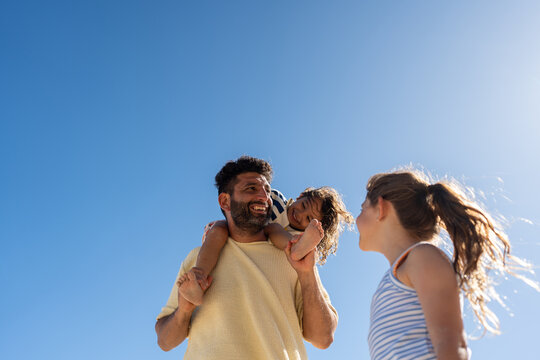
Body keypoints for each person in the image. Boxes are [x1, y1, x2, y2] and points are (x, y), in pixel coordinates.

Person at [155, 156, 338, 359]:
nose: (263, 196)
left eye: (267, 191)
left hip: (291, 249)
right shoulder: (198, 257)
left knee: (276, 231)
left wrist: (307, 273)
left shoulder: (299, 262)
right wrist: (184, 310)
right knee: (220, 230)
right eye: (251, 188)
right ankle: (201, 275)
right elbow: (164, 341)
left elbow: (323, 338)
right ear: (225, 200)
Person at [355, 169, 538, 360]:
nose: (356, 219)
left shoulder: (422, 257)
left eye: (362, 208)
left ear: (381, 208)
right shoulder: (391, 280)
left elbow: (452, 345)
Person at [179, 186, 354, 305]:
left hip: (276, 242)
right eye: (303, 206)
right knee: (219, 229)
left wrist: (303, 242)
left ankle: (297, 250)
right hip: (240, 232)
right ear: (300, 196)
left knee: (275, 230)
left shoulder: (298, 235)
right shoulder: (276, 200)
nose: (300, 214)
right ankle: (198, 277)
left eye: (308, 219)